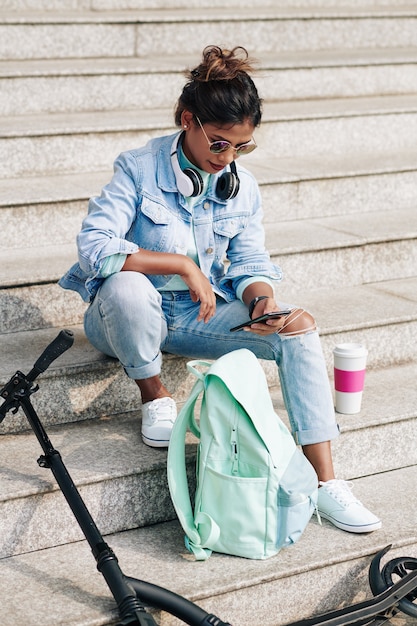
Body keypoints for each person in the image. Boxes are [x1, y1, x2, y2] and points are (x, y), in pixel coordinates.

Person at [60, 45, 381, 534]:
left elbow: (250, 261)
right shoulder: (138, 167)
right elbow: (95, 249)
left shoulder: (241, 185)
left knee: (298, 327)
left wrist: (260, 299)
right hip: (120, 314)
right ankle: (153, 393)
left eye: (240, 147)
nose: (227, 158)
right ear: (188, 120)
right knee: (127, 286)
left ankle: (325, 482)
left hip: (197, 316)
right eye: (219, 144)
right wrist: (182, 266)